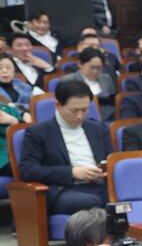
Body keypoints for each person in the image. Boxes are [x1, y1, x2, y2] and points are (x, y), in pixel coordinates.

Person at [20, 82, 111, 213]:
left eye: (85, 110)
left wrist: (104, 169)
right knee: (93, 202)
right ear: (57, 105)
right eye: (74, 111)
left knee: (124, 196)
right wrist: (72, 172)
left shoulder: (98, 128)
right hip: (63, 189)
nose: (80, 116)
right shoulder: (38, 133)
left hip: (99, 184)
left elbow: (111, 160)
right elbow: (28, 170)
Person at [61, 48, 118, 121]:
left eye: (99, 68)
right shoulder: (69, 80)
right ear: (80, 64)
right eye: (92, 67)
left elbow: (112, 102)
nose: (95, 71)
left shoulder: (106, 78)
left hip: (108, 118)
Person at [0, 57, 31, 176]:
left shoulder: (6, 107)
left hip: (16, 152)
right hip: (4, 157)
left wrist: (13, 121)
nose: (4, 71)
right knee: (31, 170)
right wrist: (13, 122)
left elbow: (24, 130)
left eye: (8, 67)